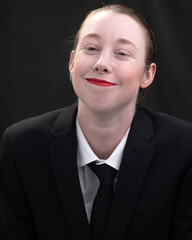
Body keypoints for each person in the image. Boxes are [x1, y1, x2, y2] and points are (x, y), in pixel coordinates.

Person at [0, 4, 192, 240]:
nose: (101, 63)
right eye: (91, 48)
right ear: (71, 63)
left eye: (122, 53)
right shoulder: (21, 146)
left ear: (147, 74)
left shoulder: (185, 149)